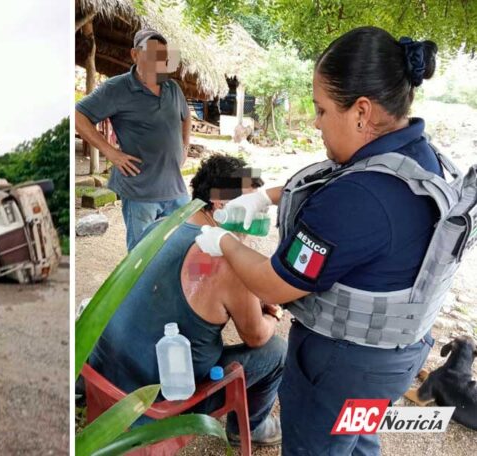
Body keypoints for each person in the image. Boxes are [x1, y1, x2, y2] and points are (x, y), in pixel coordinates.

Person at [197, 27, 445, 455]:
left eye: (321, 109)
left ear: (361, 112)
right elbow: (328, 181)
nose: (315, 122)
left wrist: (224, 242)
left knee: (318, 446)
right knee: (357, 436)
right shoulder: (420, 157)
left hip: (341, 369)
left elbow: (275, 285)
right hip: (392, 360)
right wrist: (265, 196)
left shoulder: (359, 199)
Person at [88, 154, 286, 446]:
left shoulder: (164, 225)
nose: (259, 213)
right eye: (252, 203)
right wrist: (272, 317)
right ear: (221, 205)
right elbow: (256, 335)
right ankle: (253, 427)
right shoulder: (226, 261)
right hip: (156, 403)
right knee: (276, 350)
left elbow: (196, 279)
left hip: (104, 380)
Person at [75, 28, 191, 250]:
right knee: (142, 253)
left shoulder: (172, 87)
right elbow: (79, 116)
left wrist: (184, 146)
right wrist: (110, 152)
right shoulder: (117, 88)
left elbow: (185, 117)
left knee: (183, 246)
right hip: (140, 191)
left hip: (175, 188)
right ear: (135, 55)